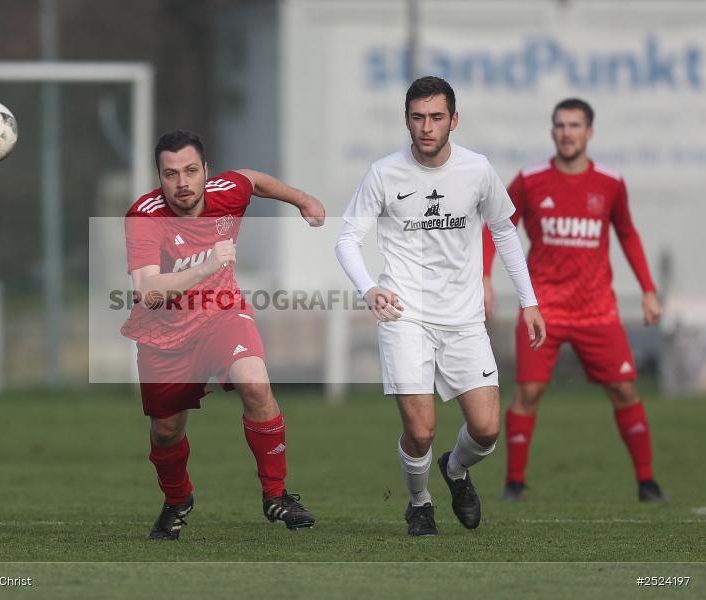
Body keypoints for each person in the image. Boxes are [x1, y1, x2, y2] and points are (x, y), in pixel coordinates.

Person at [335, 76, 546, 537]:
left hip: (464, 319)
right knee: (421, 431)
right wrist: (369, 289)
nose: (426, 127)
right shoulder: (383, 173)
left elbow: (504, 231)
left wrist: (529, 301)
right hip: (404, 316)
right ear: (406, 120)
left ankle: (455, 470)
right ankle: (419, 503)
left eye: (436, 117)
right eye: (417, 117)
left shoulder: (477, 169)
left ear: (454, 119)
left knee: (486, 429)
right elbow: (347, 239)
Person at [122, 129, 326, 540]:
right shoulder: (144, 216)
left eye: (190, 171)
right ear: (159, 178)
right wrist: (208, 266)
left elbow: (254, 180)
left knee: (255, 382)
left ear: (206, 171)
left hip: (221, 314)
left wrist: (303, 199)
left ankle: (276, 495)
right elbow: (148, 290)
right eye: (171, 174)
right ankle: (177, 499)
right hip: (164, 336)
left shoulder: (227, 191)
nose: (182, 182)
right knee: (166, 432)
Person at [482, 98, 667, 503]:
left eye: (575, 125)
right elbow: (497, 226)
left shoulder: (610, 183)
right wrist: (485, 277)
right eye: (560, 125)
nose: (567, 133)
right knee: (528, 392)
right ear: (553, 132)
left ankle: (647, 481)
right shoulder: (530, 180)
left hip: (597, 309)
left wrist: (648, 289)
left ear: (589, 132)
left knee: (624, 390)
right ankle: (514, 483)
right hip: (543, 309)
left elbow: (628, 233)